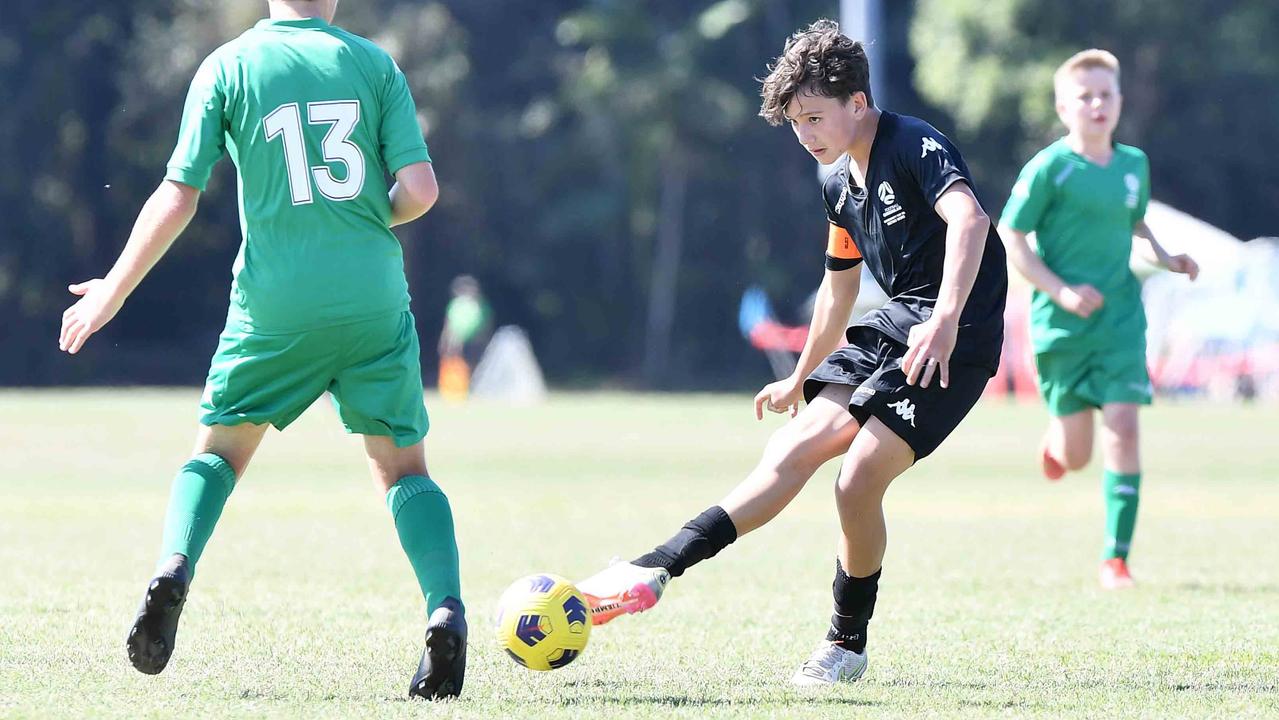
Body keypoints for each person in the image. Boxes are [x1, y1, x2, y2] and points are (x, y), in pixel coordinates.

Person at [577, 19, 1008, 686]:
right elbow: (836, 296)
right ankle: (654, 567)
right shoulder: (837, 185)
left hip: (956, 339)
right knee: (790, 448)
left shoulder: (914, 145)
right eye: (794, 121)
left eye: (813, 117)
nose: (804, 133)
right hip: (894, 325)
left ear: (856, 104)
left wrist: (947, 319)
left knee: (856, 478)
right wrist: (799, 377)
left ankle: (844, 642)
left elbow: (971, 220)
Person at [57, 0, 467, 700]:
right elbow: (421, 190)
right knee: (401, 470)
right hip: (371, 295)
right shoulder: (373, 64)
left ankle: (174, 567)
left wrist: (114, 292)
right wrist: (365, 213)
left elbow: (178, 193)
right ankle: (444, 607)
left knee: (215, 454)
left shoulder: (229, 66)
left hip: (275, 304)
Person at [997, 49, 1198, 589]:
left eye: (1106, 94)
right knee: (1078, 455)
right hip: (1060, 330)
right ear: (1064, 107)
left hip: (1119, 322)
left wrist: (1169, 258)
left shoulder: (1134, 164)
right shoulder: (1049, 168)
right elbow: (1010, 236)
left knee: (1126, 431)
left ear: (1119, 102)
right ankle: (1057, 442)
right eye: (1084, 96)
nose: (1096, 104)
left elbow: (1137, 226)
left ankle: (1116, 559)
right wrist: (1060, 291)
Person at [437, 275, 492, 400]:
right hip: (458, 341)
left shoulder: (480, 305)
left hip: (476, 340)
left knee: (476, 365)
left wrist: (485, 339)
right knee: (458, 365)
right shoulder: (455, 304)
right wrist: (445, 340)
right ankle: (458, 390)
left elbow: (486, 323)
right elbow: (449, 324)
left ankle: (474, 389)